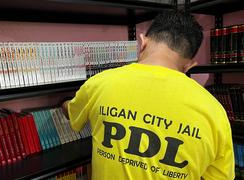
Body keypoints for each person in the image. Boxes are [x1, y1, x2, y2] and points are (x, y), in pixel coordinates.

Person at [62, 11, 235, 180]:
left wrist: (64, 102)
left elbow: (71, 113)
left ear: (143, 42)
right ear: (190, 65)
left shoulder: (99, 83)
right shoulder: (215, 112)